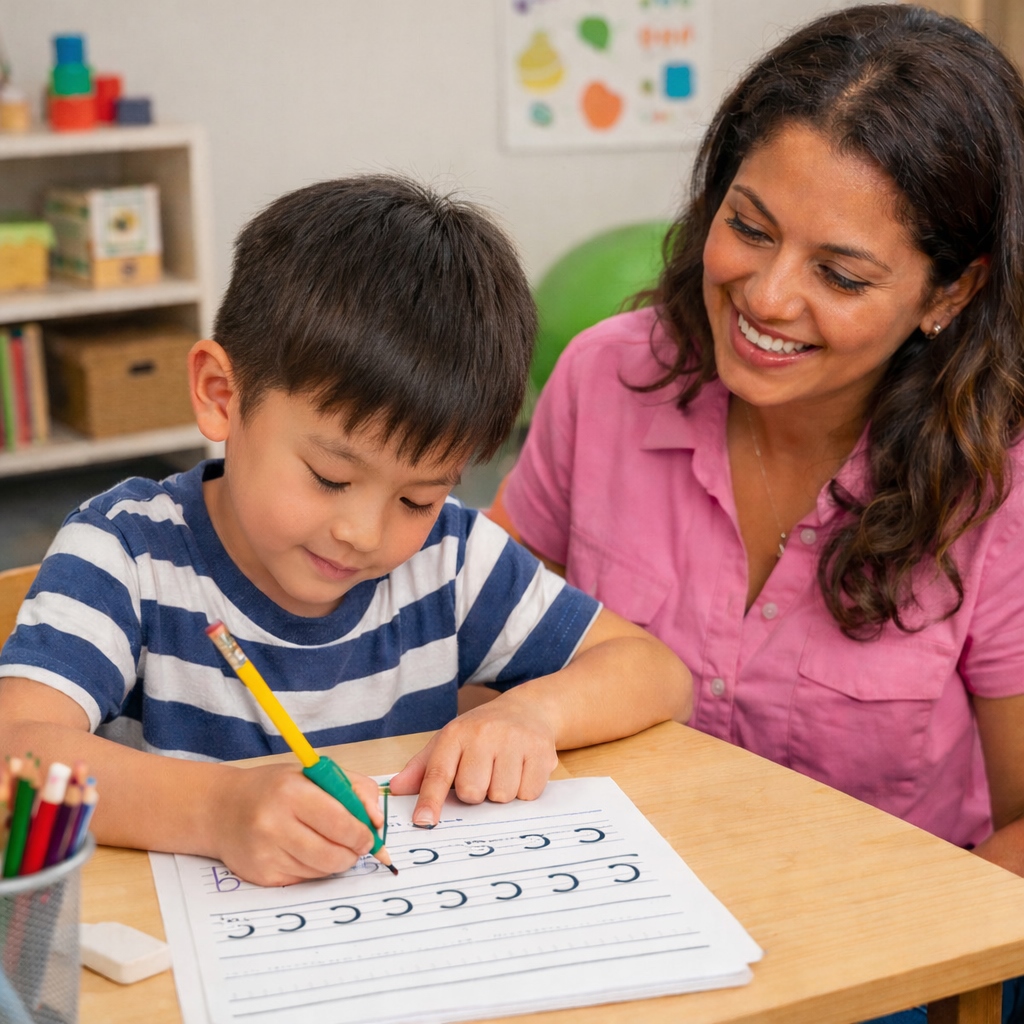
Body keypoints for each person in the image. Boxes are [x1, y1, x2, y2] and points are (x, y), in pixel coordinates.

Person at [493, 6, 1024, 1020]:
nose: (767, 296)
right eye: (749, 226)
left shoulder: (999, 486)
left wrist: (844, 961)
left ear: (949, 291)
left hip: (877, 963)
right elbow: (479, 647)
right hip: (596, 929)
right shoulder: (605, 376)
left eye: (839, 273)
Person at [0, 175, 691, 887]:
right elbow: (13, 757)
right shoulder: (125, 552)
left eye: (418, 498)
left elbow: (657, 674)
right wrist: (215, 811)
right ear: (221, 396)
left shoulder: (449, 558)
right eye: (331, 478)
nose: (363, 533)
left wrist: (534, 714)